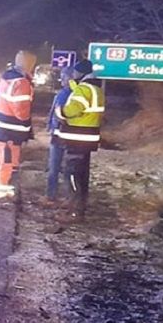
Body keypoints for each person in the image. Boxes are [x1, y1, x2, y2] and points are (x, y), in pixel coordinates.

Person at [56, 59, 105, 221]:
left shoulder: (84, 89)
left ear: (82, 73)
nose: (74, 74)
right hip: (88, 138)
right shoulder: (96, 89)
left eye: (76, 72)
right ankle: (78, 206)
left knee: (73, 175)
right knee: (82, 176)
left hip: (77, 139)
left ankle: (75, 212)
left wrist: (59, 111)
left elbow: (72, 110)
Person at [0, 50, 36, 201]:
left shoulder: (8, 77)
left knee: (9, 160)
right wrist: (27, 123)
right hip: (10, 130)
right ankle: (2, 192)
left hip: (4, 128)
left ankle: (6, 189)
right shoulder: (21, 83)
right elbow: (21, 110)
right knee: (8, 161)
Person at [45, 66, 75, 205]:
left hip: (60, 136)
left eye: (65, 77)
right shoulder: (71, 93)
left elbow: (59, 113)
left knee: (55, 167)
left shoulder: (66, 93)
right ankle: (68, 198)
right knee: (67, 168)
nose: (62, 80)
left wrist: (52, 125)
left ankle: (51, 196)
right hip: (64, 135)